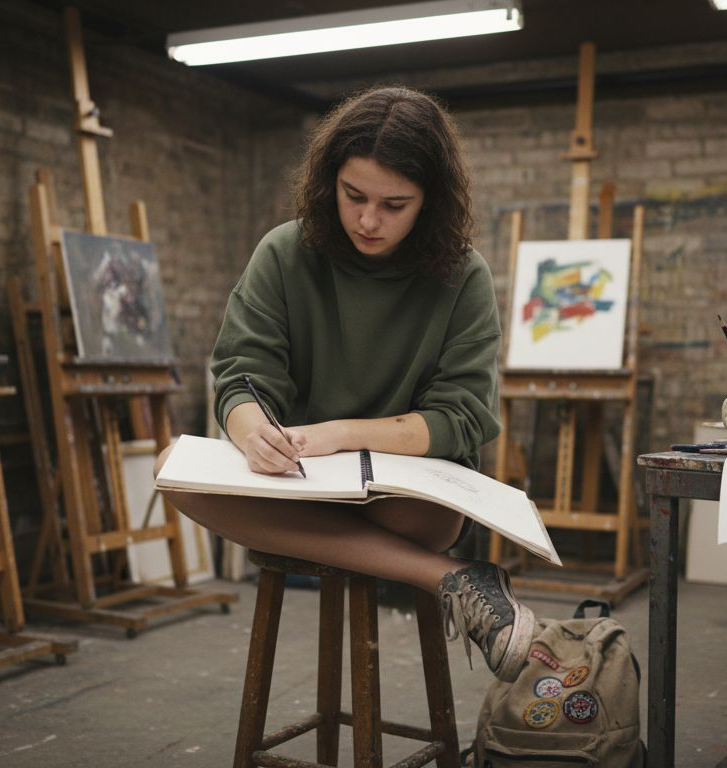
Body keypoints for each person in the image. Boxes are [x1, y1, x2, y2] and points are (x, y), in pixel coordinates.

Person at [155, 85, 534, 681]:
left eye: (394, 205)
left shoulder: (463, 276)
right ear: (328, 180)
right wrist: (252, 433)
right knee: (172, 469)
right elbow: (240, 375)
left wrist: (336, 434)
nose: (367, 220)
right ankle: (452, 580)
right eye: (353, 195)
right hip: (300, 481)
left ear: (430, 202)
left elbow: (460, 418)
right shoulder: (285, 252)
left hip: (406, 496)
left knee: (424, 523)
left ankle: (334, 542)